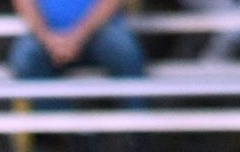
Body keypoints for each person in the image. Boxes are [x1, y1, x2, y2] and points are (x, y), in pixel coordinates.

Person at [8, 0, 149, 119]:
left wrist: (78, 37)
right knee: (24, 59)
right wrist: (47, 38)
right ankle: (70, 131)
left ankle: (136, 133)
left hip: (102, 27)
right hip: (47, 33)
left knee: (125, 51)